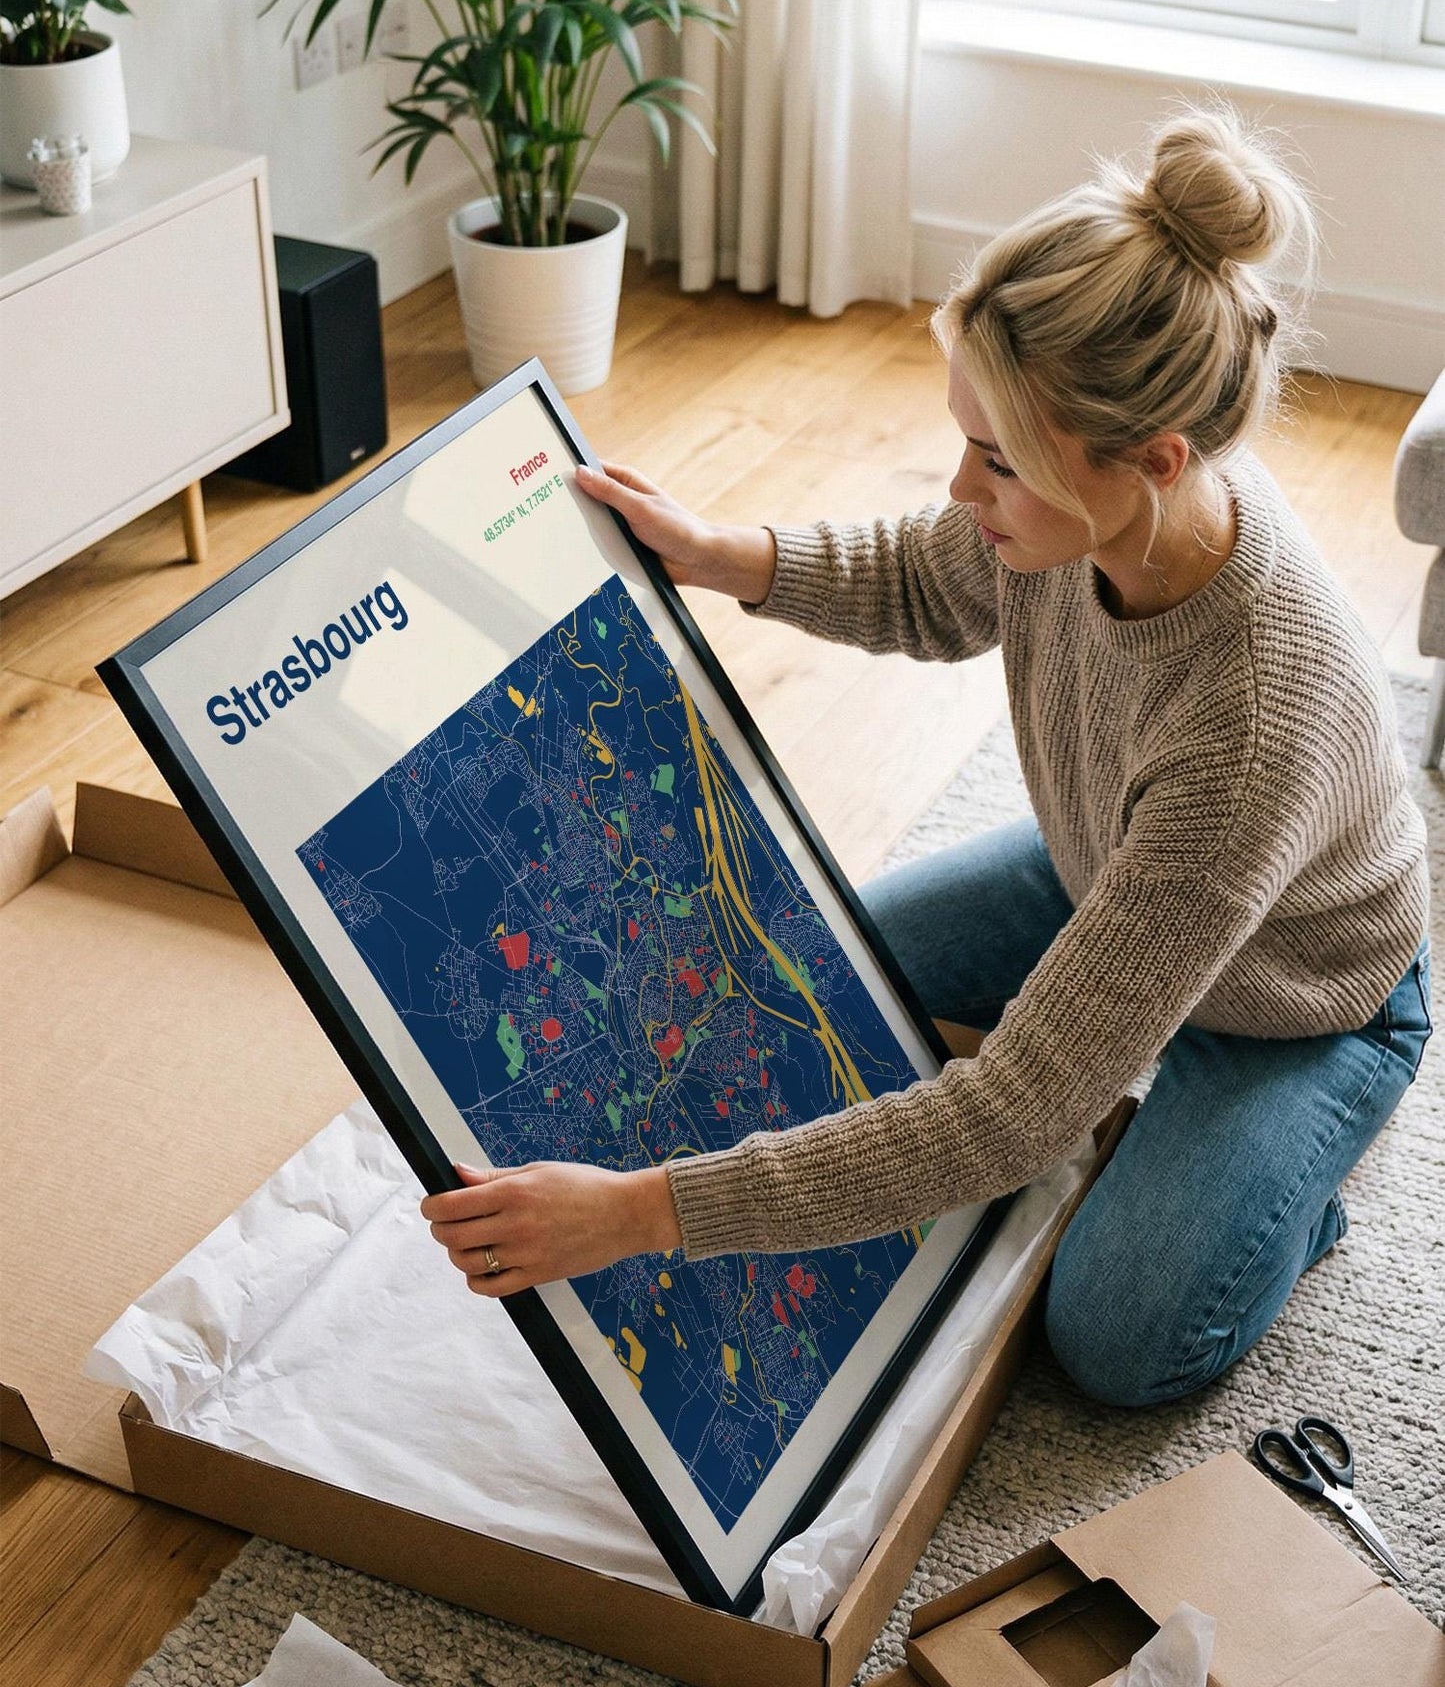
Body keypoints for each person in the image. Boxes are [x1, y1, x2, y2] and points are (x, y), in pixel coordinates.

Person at [423, 107, 1431, 1408]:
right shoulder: (1087, 517)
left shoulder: (1245, 725)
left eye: (997, 461)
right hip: (1099, 867)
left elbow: (1009, 1117)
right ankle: (1157, 1080)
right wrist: (719, 552)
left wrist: (638, 1213)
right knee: (788, 990)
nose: (961, 488)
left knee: (1121, 1334)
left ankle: (1282, 1193)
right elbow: (923, 574)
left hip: (1299, 996)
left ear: (1154, 462)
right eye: (965, 437)